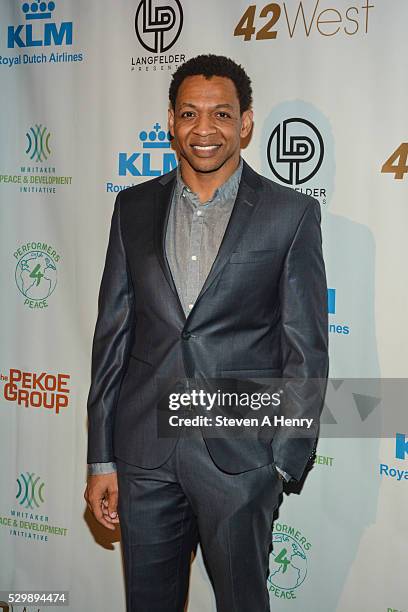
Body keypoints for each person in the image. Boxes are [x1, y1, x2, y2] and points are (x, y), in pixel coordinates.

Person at [84, 54, 329, 612]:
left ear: (244, 123)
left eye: (221, 114)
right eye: (190, 114)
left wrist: (282, 460)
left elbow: (306, 348)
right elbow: (112, 339)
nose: (205, 129)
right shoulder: (132, 208)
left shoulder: (289, 215)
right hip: (145, 455)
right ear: (169, 120)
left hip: (241, 461)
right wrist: (103, 459)